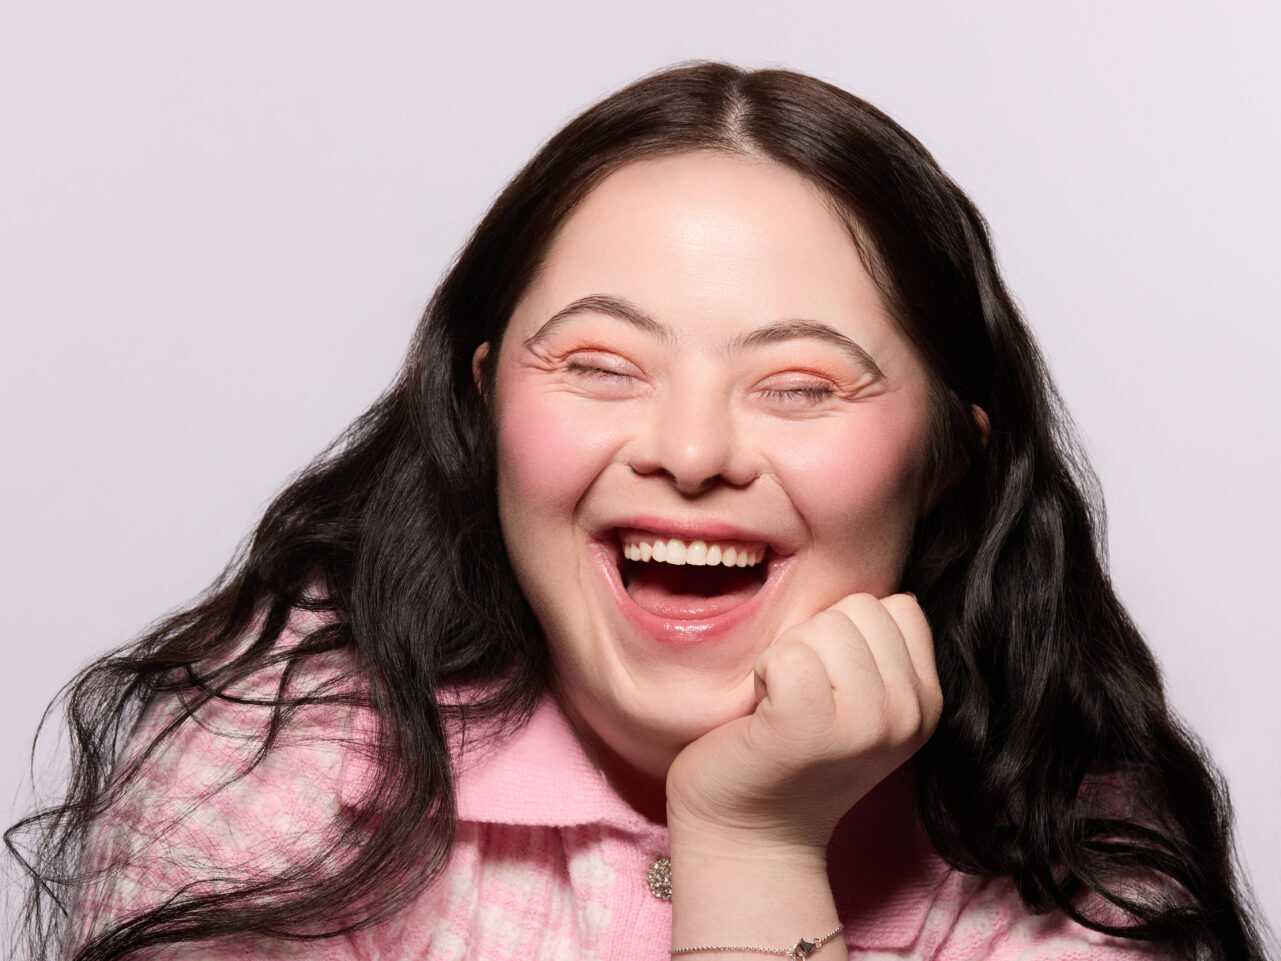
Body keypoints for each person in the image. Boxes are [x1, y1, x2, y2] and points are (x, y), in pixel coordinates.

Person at [6, 62, 1267, 961]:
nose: (690, 448)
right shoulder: (273, 771)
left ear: (947, 458)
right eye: (602, 364)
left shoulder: (1071, 849)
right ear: (491, 401)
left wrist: (755, 845)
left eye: (800, 384)